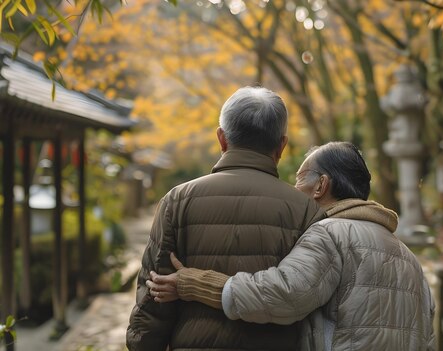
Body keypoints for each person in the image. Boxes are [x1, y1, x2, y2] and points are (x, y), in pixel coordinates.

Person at [148, 141, 436, 351]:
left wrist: (196, 283)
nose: (293, 187)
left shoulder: (331, 235)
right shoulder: (407, 255)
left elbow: (282, 295)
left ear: (321, 185)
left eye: (299, 178)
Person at [126, 86, 326, 351]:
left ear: (222, 139)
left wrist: (143, 344)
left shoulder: (178, 200)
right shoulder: (306, 210)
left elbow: (154, 293)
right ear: (281, 146)